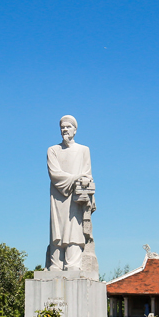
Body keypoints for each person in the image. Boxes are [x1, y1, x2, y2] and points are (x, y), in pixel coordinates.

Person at [46, 115, 93, 271]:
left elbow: (87, 174)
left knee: (74, 227)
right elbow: (54, 174)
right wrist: (75, 178)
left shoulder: (83, 150)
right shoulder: (53, 150)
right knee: (57, 228)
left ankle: (73, 263)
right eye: (63, 127)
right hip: (58, 195)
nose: (65, 130)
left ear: (75, 130)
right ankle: (56, 263)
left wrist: (82, 180)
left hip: (76, 196)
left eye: (68, 127)